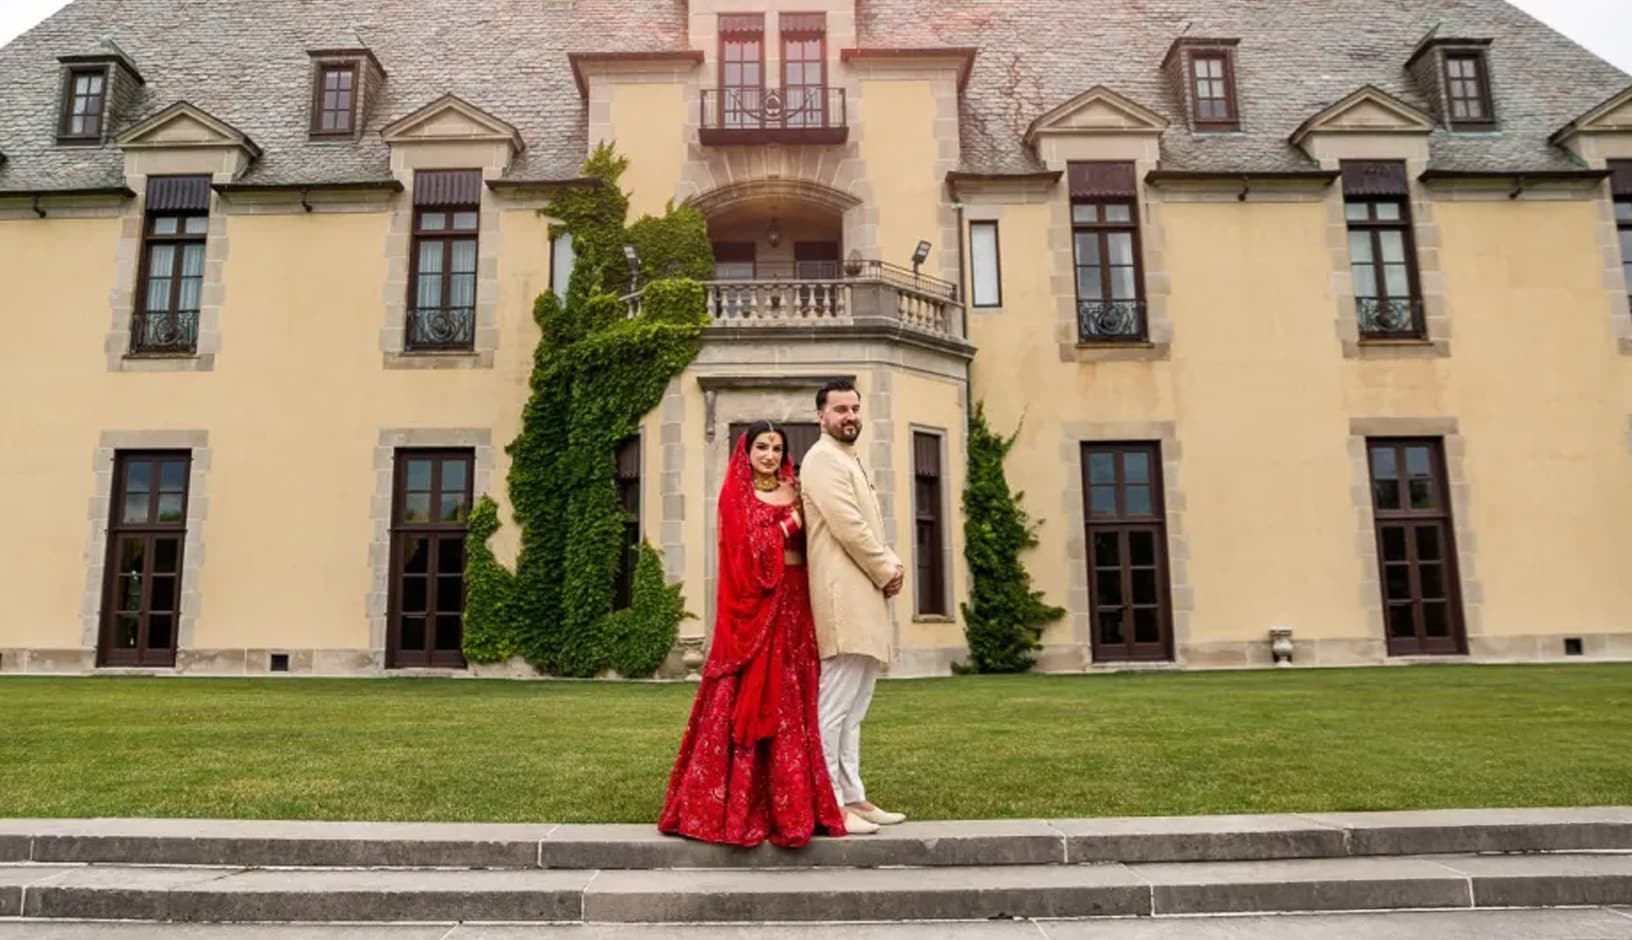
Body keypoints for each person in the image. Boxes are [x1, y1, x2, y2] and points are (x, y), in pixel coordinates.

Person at [658, 421, 848, 847]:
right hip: (758, 609)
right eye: (761, 446)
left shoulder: (797, 489)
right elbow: (745, 551)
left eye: (777, 447)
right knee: (757, 698)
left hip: (799, 604)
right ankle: (741, 806)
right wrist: (787, 525)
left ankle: (801, 805)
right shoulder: (736, 495)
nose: (769, 454)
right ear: (746, 453)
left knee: (798, 701)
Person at [800, 379, 907, 835]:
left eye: (854, 408)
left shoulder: (847, 459)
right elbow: (850, 527)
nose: (849, 416)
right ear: (821, 417)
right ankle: (830, 803)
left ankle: (854, 796)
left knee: (856, 707)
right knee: (834, 707)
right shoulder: (822, 459)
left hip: (863, 593)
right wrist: (888, 567)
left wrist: (885, 569)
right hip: (843, 595)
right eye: (840, 409)